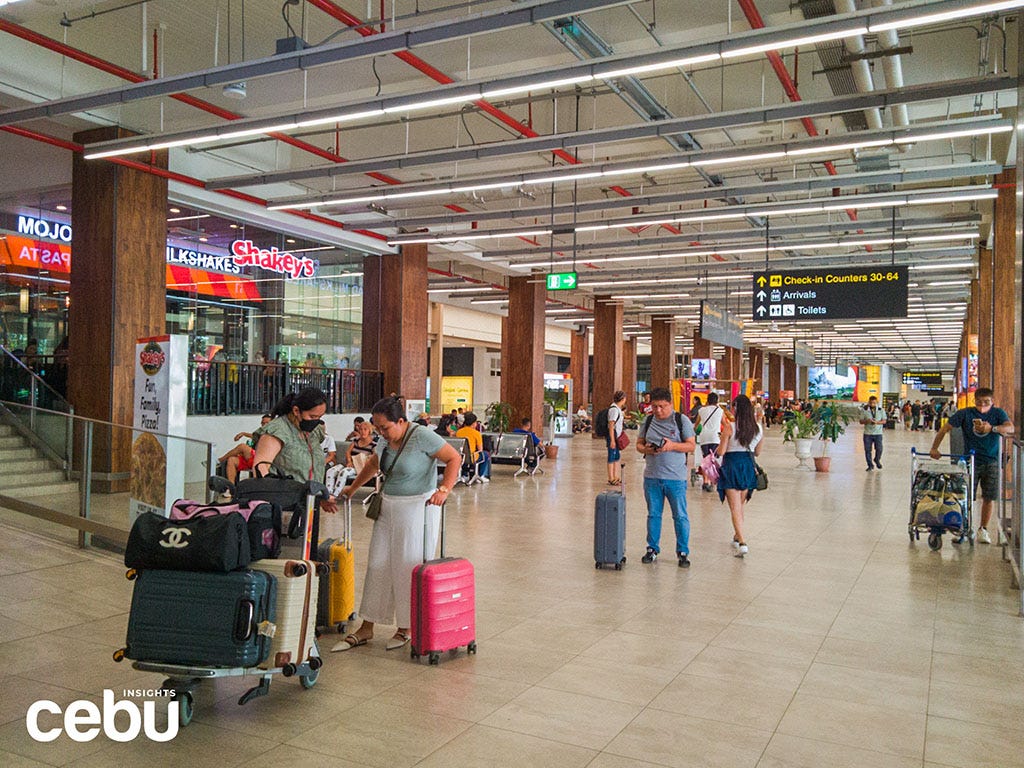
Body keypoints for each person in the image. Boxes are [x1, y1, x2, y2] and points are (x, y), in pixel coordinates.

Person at [335, 397, 462, 652]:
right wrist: (352, 489)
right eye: (377, 428)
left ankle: (406, 627)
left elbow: (454, 458)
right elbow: (374, 463)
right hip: (388, 505)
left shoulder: (422, 436)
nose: (381, 433)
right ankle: (367, 626)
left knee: (407, 565)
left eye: (385, 428)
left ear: (401, 421)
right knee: (377, 563)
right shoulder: (384, 439)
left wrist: (444, 489)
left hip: (417, 507)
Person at [931, 388, 1015, 544]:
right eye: (979, 402)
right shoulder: (965, 413)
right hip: (970, 460)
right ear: (974, 401)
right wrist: (934, 447)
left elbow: (1010, 428)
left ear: (992, 401)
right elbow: (945, 428)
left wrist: (992, 428)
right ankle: (963, 527)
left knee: (989, 497)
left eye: (986, 402)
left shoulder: (998, 413)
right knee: (964, 496)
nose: (982, 405)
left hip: (992, 461)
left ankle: (983, 529)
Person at [636, 387, 697, 568]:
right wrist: (646, 449)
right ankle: (652, 548)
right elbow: (638, 444)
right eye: (654, 407)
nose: (658, 411)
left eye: (662, 406)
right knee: (654, 514)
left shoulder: (681, 420)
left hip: (675, 478)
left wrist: (672, 446)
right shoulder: (647, 421)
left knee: (680, 515)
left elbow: (691, 446)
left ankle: (683, 551)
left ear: (670, 404)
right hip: (652, 477)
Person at [252, 389, 338, 515]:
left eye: (320, 417)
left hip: (308, 504)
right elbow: (260, 468)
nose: (316, 421)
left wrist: (319, 496)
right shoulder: (277, 431)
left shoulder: (313, 432)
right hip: (282, 508)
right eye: (313, 416)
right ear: (296, 411)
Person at [715, 395, 763, 558]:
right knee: (740, 505)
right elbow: (757, 452)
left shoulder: (729, 427)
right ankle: (737, 535)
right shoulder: (758, 428)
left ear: (736, 408)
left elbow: (721, 452)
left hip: (731, 466)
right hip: (748, 466)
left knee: (735, 507)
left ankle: (742, 542)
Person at [218, 413, 273, 483]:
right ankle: (230, 489)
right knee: (231, 460)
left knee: (242, 447)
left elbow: (257, 437)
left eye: (267, 423)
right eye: (263, 423)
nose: (264, 425)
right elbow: (254, 436)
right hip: (253, 458)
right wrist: (243, 434)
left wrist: (243, 434)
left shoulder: (273, 433)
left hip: (263, 460)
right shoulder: (260, 432)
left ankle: (220, 460)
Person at [695, 392, 726, 492]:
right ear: (717, 401)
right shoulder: (720, 411)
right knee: (713, 460)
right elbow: (725, 424)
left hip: (704, 437)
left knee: (705, 459)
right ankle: (712, 481)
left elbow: (696, 425)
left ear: (707, 400)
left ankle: (705, 481)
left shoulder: (701, 410)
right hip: (715, 437)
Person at [456, 412, 491, 482]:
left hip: (460, 457)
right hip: (472, 458)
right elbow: (480, 450)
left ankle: (464, 474)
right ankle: (480, 475)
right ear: (474, 423)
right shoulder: (477, 434)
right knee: (486, 454)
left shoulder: (458, 432)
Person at [606, 390, 627, 486]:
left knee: (617, 457)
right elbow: (611, 425)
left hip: (616, 436)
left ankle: (616, 476)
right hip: (613, 437)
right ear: (622, 399)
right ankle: (611, 478)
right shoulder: (614, 409)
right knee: (611, 456)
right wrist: (612, 440)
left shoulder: (618, 409)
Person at [861, 396, 887, 471]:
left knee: (879, 449)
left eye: (874, 403)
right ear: (869, 402)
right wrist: (867, 421)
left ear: (877, 403)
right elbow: (861, 421)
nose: (872, 404)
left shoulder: (881, 410)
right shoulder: (864, 410)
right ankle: (870, 465)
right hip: (867, 433)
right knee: (867, 450)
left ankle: (877, 459)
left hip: (878, 433)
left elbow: (884, 421)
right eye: (871, 402)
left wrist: (877, 422)